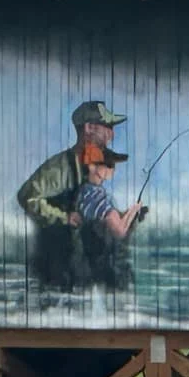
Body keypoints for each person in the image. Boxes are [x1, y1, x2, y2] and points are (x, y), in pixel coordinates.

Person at [19, 101, 126, 290]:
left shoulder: (100, 166)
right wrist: (63, 217)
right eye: (107, 127)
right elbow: (27, 197)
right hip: (60, 276)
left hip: (89, 274)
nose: (112, 134)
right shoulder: (59, 168)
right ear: (89, 128)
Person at [72, 145, 147, 291]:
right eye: (109, 165)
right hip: (103, 267)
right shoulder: (98, 199)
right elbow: (119, 231)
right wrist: (133, 211)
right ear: (92, 167)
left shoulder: (84, 193)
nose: (113, 169)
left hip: (89, 264)